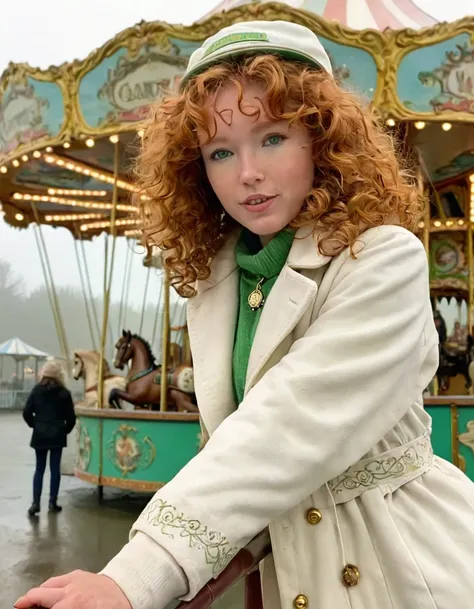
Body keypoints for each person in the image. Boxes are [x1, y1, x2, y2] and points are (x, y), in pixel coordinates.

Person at [15, 19, 474, 609]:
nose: (246, 172)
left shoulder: (382, 259)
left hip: (396, 564)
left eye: (273, 139)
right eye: (221, 152)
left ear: (322, 140)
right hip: (291, 572)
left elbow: (289, 426)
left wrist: (135, 576)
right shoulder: (217, 284)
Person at [22, 360, 76, 516]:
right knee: (54, 470)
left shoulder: (36, 391)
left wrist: (35, 425)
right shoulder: (64, 393)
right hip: (57, 435)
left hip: (40, 434)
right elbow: (71, 418)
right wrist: (64, 430)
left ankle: (35, 503)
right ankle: (53, 502)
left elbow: (26, 412)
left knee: (39, 469)